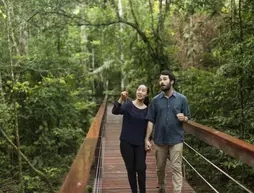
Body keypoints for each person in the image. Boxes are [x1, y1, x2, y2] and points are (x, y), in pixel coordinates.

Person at [145, 70, 190, 193]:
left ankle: (177, 191)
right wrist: (147, 139)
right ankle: (162, 187)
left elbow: (187, 117)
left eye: (164, 79)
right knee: (160, 168)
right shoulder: (155, 100)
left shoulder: (182, 99)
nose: (161, 82)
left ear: (172, 81)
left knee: (176, 168)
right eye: (160, 80)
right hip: (159, 139)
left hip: (176, 139)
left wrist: (184, 118)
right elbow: (150, 120)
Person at [112, 84, 150, 193]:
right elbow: (115, 111)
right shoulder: (128, 105)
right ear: (136, 92)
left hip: (140, 144)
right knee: (131, 169)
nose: (140, 92)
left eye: (143, 91)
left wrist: (148, 140)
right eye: (139, 90)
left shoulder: (148, 110)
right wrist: (121, 99)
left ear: (146, 94)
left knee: (141, 169)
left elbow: (149, 127)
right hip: (126, 142)